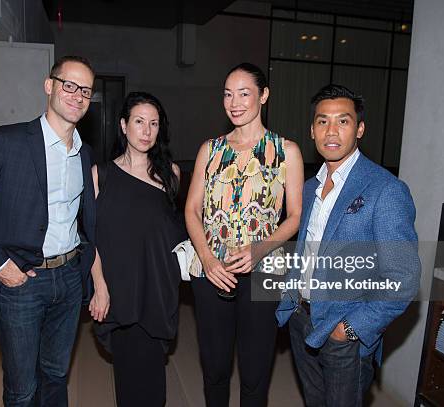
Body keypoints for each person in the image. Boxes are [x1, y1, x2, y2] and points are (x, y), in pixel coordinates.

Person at [0, 55, 99, 407]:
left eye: (86, 91)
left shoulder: (85, 153)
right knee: (22, 388)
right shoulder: (6, 142)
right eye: (69, 85)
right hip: (22, 282)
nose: (77, 96)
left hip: (70, 279)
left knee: (57, 375)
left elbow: (85, 219)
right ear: (50, 86)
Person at [276, 84, 421, 406]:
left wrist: (350, 329)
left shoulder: (385, 189)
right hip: (302, 318)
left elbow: (404, 278)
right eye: (322, 121)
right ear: (312, 130)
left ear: (359, 129)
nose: (331, 131)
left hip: (344, 331)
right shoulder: (310, 187)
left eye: (342, 121)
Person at [184, 62, 303, 407]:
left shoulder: (286, 152)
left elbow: (294, 216)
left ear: (263, 96)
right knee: (215, 368)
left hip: (262, 272)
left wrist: (259, 250)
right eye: (228, 94)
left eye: (244, 93)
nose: (234, 102)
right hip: (213, 273)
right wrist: (206, 259)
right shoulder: (211, 150)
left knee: (255, 373)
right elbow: (191, 210)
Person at [88, 91, 184, 407]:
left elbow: (171, 235)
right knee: (128, 383)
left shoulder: (171, 174)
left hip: (157, 290)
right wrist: (99, 287)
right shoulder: (100, 175)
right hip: (120, 292)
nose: (146, 131)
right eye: (139, 122)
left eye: (153, 124)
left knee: (155, 386)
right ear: (123, 125)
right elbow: (92, 238)